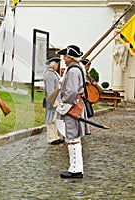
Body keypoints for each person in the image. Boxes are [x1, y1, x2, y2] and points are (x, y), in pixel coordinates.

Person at [56, 45, 87, 179]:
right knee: (72, 138)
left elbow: (72, 91)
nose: (63, 58)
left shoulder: (74, 71)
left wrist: (64, 103)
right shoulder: (75, 68)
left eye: (65, 56)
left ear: (70, 57)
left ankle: (75, 169)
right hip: (74, 104)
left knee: (73, 138)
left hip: (72, 106)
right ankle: (75, 168)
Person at [43, 57, 63, 145]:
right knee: (50, 119)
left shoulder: (53, 73)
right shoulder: (49, 74)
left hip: (56, 99)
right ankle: (51, 137)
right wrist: (52, 101)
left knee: (55, 119)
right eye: (56, 63)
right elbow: (50, 89)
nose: (57, 65)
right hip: (52, 99)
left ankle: (56, 136)